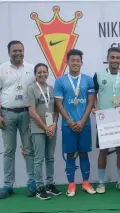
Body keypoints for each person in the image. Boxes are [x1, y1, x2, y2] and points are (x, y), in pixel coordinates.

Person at [54, 49, 96, 197]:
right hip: (68, 125)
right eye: (73, 60)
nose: (75, 63)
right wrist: (70, 121)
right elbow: (59, 104)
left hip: (84, 124)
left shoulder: (88, 80)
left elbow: (91, 102)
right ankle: (71, 185)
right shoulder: (60, 81)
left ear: (81, 63)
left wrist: (83, 121)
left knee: (84, 153)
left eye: (78, 60)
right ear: (68, 62)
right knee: (71, 155)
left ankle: (85, 183)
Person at [93, 47, 120, 194]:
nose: (115, 60)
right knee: (103, 151)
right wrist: (94, 107)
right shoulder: (98, 75)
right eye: (112, 57)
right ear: (108, 58)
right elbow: (92, 95)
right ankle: (101, 183)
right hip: (104, 120)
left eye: (118, 58)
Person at [0, 40, 36, 199]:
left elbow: (37, 91)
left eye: (20, 50)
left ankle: (32, 183)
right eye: (14, 51)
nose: (18, 53)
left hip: (27, 114)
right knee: (8, 151)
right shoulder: (2, 69)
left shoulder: (31, 69)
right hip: (7, 114)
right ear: (9, 53)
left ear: (24, 51)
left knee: (29, 149)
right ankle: (7, 185)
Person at [28, 63, 61, 200]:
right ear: (35, 74)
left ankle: (49, 184)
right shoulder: (31, 89)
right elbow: (32, 111)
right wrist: (45, 127)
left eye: (44, 72)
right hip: (38, 129)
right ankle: (39, 187)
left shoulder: (52, 89)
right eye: (39, 72)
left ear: (48, 73)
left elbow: (56, 110)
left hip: (51, 128)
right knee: (39, 159)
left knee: (50, 158)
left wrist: (53, 125)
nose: (42, 74)